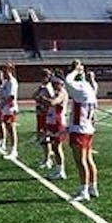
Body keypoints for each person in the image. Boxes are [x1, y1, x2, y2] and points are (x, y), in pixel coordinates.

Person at [64, 60, 99, 201]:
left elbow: (67, 80)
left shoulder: (80, 88)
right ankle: (92, 187)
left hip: (80, 129)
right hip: (87, 129)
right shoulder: (89, 87)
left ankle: (84, 190)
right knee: (89, 160)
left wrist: (76, 70)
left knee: (80, 161)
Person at [44, 74, 68, 181]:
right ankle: (58, 168)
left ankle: (61, 171)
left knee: (57, 147)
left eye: (55, 84)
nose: (53, 86)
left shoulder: (62, 93)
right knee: (54, 147)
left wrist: (44, 99)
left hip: (58, 123)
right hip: (52, 122)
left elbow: (54, 102)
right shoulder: (56, 93)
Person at [0, 62, 20, 160]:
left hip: (10, 108)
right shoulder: (5, 82)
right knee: (8, 128)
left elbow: (11, 96)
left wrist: (3, 104)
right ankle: (11, 148)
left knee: (11, 129)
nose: (4, 72)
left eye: (6, 70)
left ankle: (14, 150)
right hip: (5, 108)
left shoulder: (12, 82)